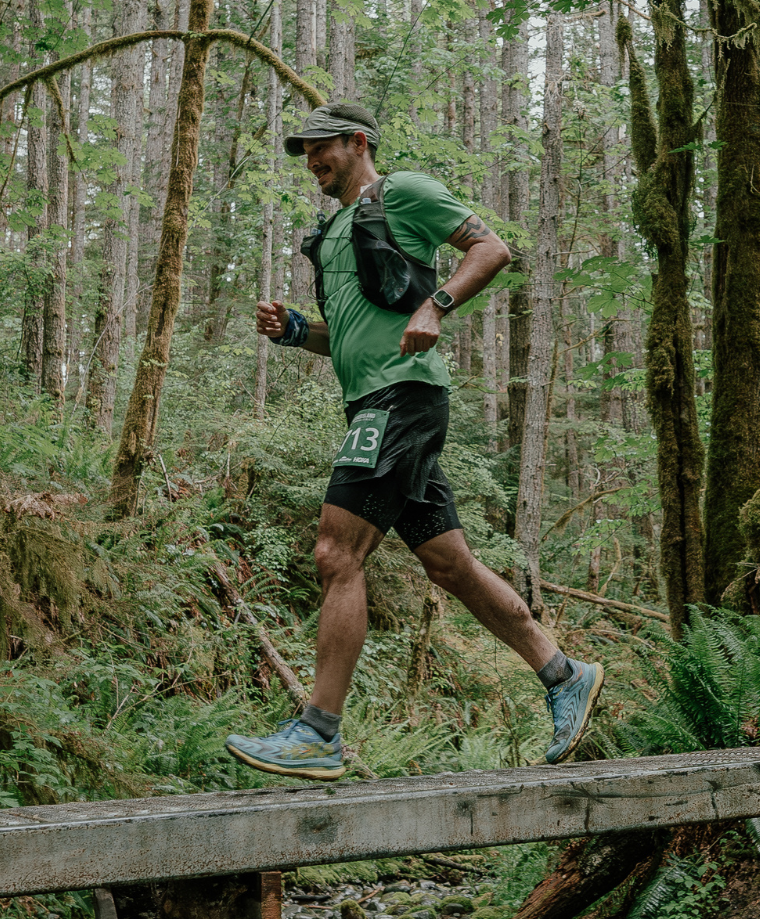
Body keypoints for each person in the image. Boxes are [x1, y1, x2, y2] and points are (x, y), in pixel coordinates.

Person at [225, 103, 603, 781]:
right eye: (305, 152)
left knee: (336, 553)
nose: (312, 161)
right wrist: (292, 330)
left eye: (322, 148)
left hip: (402, 398)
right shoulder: (336, 227)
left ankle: (319, 732)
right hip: (378, 399)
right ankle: (564, 673)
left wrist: (439, 304)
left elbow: (491, 249)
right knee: (449, 565)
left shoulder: (405, 192)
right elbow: (342, 337)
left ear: (357, 141)